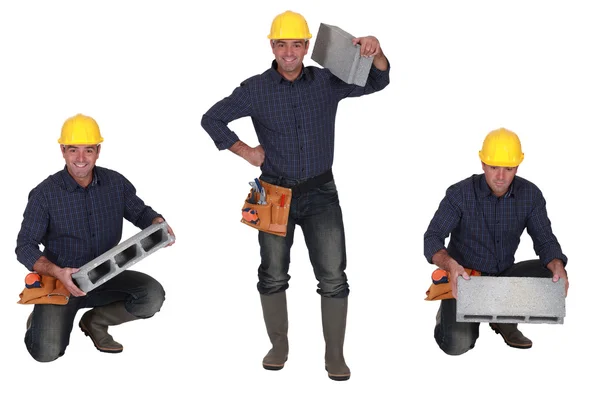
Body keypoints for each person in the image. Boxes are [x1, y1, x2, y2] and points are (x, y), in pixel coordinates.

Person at [201, 10, 389, 380]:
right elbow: (211, 118)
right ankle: (279, 345)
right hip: (271, 193)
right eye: (282, 44)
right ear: (272, 46)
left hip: (321, 191)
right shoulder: (255, 89)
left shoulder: (327, 81)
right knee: (272, 274)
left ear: (307, 47)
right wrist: (247, 152)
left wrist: (376, 50)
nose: (289, 52)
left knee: (334, 276)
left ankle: (334, 354)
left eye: (297, 44)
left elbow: (379, 80)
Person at [15, 113, 175, 362]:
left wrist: (156, 222)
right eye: (73, 150)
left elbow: (141, 212)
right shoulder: (44, 195)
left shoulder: (115, 183)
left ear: (98, 151)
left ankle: (95, 321)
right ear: (63, 151)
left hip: (105, 275)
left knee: (151, 296)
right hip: (61, 283)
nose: (80, 158)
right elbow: (24, 247)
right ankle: (40, 320)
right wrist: (57, 272)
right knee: (45, 352)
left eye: (88, 150)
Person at [423, 127, 568, 355]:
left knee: (552, 272)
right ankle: (449, 313)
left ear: (517, 167)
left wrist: (558, 264)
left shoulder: (530, 195)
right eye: (493, 168)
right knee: (456, 344)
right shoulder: (460, 194)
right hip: (466, 279)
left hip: (503, 278)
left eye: (508, 169)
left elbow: (546, 241)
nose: (500, 176)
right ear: (482, 164)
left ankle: (503, 319)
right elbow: (431, 239)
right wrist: (451, 267)